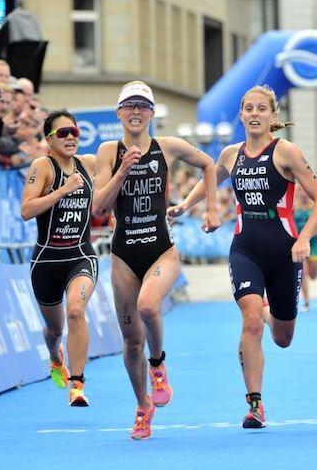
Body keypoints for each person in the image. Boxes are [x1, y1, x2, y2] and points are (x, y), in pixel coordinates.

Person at [168, 84, 317, 429]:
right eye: (248, 109)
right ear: (240, 114)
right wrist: (186, 204)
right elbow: (211, 177)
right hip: (246, 249)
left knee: (283, 339)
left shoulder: (286, 153)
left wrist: (304, 238)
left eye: (261, 109)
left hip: (285, 251)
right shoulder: (231, 154)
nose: (255, 114)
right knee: (250, 319)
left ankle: (274, 314)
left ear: (273, 116)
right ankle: (255, 404)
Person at [93, 81, 219, 440]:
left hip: (160, 248)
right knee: (131, 341)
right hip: (123, 255)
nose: (135, 112)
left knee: (149, 306)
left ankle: (158, 363)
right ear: (118, 113)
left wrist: (209, 208)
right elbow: (99, 207)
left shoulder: (167, 147)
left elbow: (209, 164)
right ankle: (142, 405)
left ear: (151, 114)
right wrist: (121, 171)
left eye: (143, 106)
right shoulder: (107, 150)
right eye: (128, 106)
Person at [21, 109, 97, 407]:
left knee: (77, 311)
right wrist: (64, 190)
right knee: (55, 329)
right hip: (46, 261)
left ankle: (77, 385)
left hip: (81, 255)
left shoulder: (88, 164)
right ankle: (55, 357)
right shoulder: (43, 166)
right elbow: (26, 211)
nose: (70, 138)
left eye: (74, 132)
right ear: (49, 140)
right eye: (62, 133)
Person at [293, 184, 317, 311]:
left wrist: (313, 232)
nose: (302, 193)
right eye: (300, 190)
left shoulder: (315, 204)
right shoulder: (293, 204)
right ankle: (306, 300)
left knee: (312, 274)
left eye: (304, 189)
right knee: (302, 271)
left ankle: (314, 269)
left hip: (313, 243)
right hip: (298, 243)